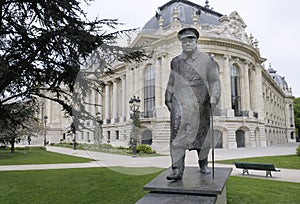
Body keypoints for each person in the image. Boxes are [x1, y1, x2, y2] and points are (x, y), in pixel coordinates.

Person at [165, 27, 221, 180]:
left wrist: (214, 98)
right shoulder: (175, 62)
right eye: (184, 40)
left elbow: (214, 81)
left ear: (196, 41)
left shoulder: (206, 59)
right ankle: (177, 170)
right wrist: (168, 96)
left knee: (202, 135)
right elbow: (171, 82)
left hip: (200, 99)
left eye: (190, 40)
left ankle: (203, 163)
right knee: (176, 134)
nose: (187, 43)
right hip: (180, 99)